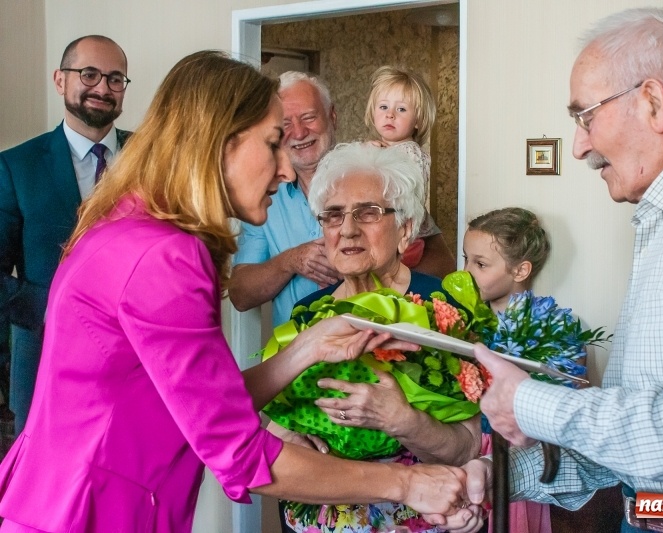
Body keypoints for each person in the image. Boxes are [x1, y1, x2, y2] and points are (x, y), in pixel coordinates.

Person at [0, 51, 471, 533]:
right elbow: (241, 455)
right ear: (220, 144)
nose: (287, 171)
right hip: (91, 512)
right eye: (273, 144)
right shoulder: (166, 258)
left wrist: (307, 348)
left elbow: (203, 405)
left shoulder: (126, 224)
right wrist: (406, 485)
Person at [430, 7, 663, 533]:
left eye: (585, 116)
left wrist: (532, 404)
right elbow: (650, 441)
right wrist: (501, 475)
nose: (579, 144)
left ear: (652, 102)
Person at [270, 142, 482, 533]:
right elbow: (272, 413)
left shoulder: (443, 310)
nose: (347, 229)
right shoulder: (307, 312)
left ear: (404, 229)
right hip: (321, 515)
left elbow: (466, 446)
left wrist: (401, 419)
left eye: (368, 213)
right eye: (333, 216)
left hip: (422, 516)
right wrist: (286, 436)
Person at [229, 72, 456, 328]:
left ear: (332, 116)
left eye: (308, 117)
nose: (300, 132)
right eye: (286, 124)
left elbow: (441, 263)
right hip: (300, 348)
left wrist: (373, 273)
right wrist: (291, 261)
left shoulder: (376, 175)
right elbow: (240, 294)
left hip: (385, 336)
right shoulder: (265, 198)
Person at [0, 35, 131, 436]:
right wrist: (62, 308)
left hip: (139, 359)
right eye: (89, 74)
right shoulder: (15, 167)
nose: (102, 88)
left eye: (115, 79)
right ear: (60, 80)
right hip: (44, 360)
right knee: (46, 490)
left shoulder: (155, 159)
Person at [463, 207, 552, 533]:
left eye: (480, 264)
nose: (466, 272)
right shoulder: (462, 325)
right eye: (465, 259)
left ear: (520, 270)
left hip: (518, 455)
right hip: (464, 445)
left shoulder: (552, 328)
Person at [364, 65, 438, 270]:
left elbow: (404, 196)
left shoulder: (410, 153)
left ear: (417, 121)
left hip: (406, 239)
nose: (390, 115)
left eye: (402, 109)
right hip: (385, 233)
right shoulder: (375, 148)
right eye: (383, 107)